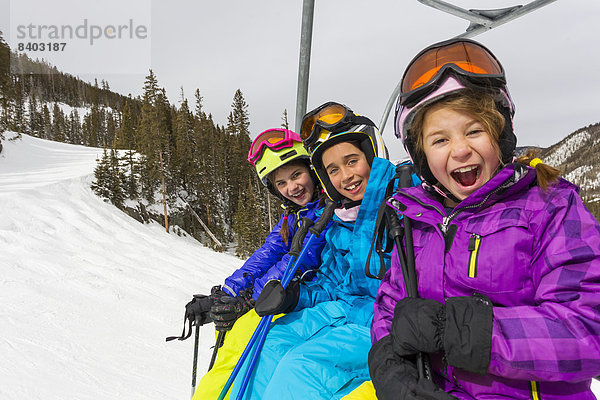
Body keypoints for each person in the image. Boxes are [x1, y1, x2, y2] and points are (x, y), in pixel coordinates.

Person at [370, 38, 600, 400]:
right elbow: (390, 306)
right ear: (422, 156)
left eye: (474, 130)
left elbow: (588, 328)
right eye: (440, 140)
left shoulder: (549, 207)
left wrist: (458, 330)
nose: (461, 149)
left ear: (500, 135)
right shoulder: (415, 219)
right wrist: (389, 365)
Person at [228, 102, 398, 400]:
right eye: (333, 169)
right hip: (343, 310)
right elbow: (329, 283)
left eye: (352, 161)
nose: (346, 176)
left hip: (382, 320)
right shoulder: (339, 220)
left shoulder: (402, 207)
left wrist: (252, 293)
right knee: (268, 345)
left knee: (299, 369)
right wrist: (294, 297)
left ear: (372, 154)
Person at [189, 128, 329, 400]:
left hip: (304, 299)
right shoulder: (293, 215)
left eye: (296, 175)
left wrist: (250, 300)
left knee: (250, 349)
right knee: (232, 346)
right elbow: (269, 252)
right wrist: (229, 291)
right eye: (281, 183)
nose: (292, 187)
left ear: (311, 171)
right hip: (281, 297)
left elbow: (298, 260)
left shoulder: (327, 211)